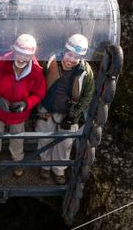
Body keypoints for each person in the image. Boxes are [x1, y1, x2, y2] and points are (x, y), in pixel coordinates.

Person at [0, 33, 46, 177]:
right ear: (14, 50)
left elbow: (39, 93)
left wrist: (26, 103)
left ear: (33, 55)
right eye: (19, 53)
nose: (22, 58)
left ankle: (17, 162)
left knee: (17, 138)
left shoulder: (36, 71)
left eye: (26, 55)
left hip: (19, 114)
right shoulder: (1, 63)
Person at [35, 34, 95, 185]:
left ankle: (59, 170)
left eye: (76, 57)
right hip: (47, 110)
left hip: (69, 113)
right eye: (69, 54)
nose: (71, 60)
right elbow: (38, 83)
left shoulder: (85, 72)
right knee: (44, 138)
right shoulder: (51, 62)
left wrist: (73, 115)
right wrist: (39, 106)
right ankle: (45, 166)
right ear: (64, 50)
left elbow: (87, 96)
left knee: (65, 144)